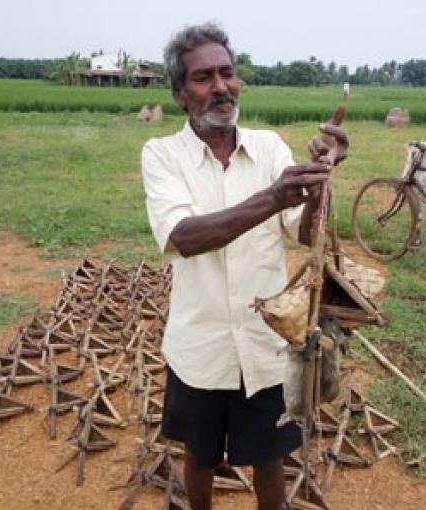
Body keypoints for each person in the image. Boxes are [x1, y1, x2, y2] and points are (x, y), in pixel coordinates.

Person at [140, 23, 345, 510]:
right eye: (203, 77)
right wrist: (273, 196)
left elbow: (302, 231)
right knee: (200, 456)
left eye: (227, 73)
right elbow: (183, 237)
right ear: (178, 93)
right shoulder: (163, 155)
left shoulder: (270, 147)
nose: (220, 87)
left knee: (270, 459)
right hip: (200, 346)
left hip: (264, 345)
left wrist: (319, 185)